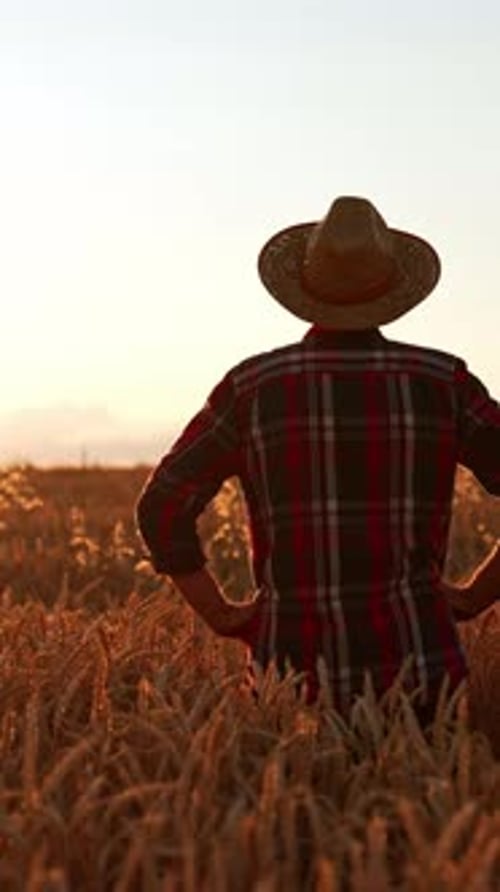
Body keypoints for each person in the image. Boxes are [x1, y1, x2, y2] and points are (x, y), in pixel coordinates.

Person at [136, 196, 500, 723]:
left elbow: (161, 505)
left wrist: (221, 614)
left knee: (298, 803)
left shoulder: (253, 388)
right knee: (420, 805)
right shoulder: (442, 382)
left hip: (292, 684)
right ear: (390, 288)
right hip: (424, 675)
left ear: (307, 289)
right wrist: (474, 597)